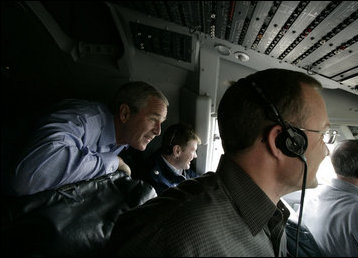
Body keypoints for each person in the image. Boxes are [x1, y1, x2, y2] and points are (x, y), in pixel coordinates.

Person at [106, 68, 331, 256]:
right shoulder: (172, 236)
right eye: (323, 135)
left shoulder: (272, 217)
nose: (326, 150)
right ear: (284, 142)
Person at [9, 81, 169, 196]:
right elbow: (26, 178)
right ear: (125, 113)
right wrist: (115, 162)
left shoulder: (125, 141)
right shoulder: (83, 119)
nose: (158, 131)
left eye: (161, 123)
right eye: (153, 119)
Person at [144, 122, 201, 195]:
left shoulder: (181, 164)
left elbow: (198, 180)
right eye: (193, 151)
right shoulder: (156, 181)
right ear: (177, 151)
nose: (195, 156)